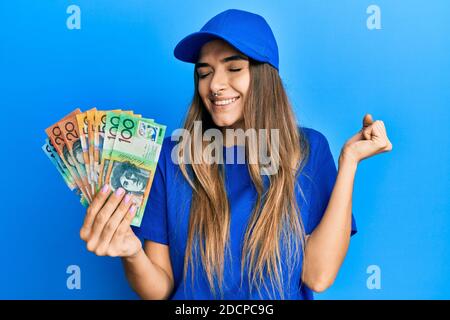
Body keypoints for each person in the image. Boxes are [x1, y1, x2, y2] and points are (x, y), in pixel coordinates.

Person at [79, 9, 392, 299]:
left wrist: (349, 161)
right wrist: (131, 253)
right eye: (204, 73)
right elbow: (160, 289)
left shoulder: (308, 150)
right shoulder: (171, 157)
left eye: (233, 68)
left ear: (264, 76)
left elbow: (318, 276)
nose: (215, 84)